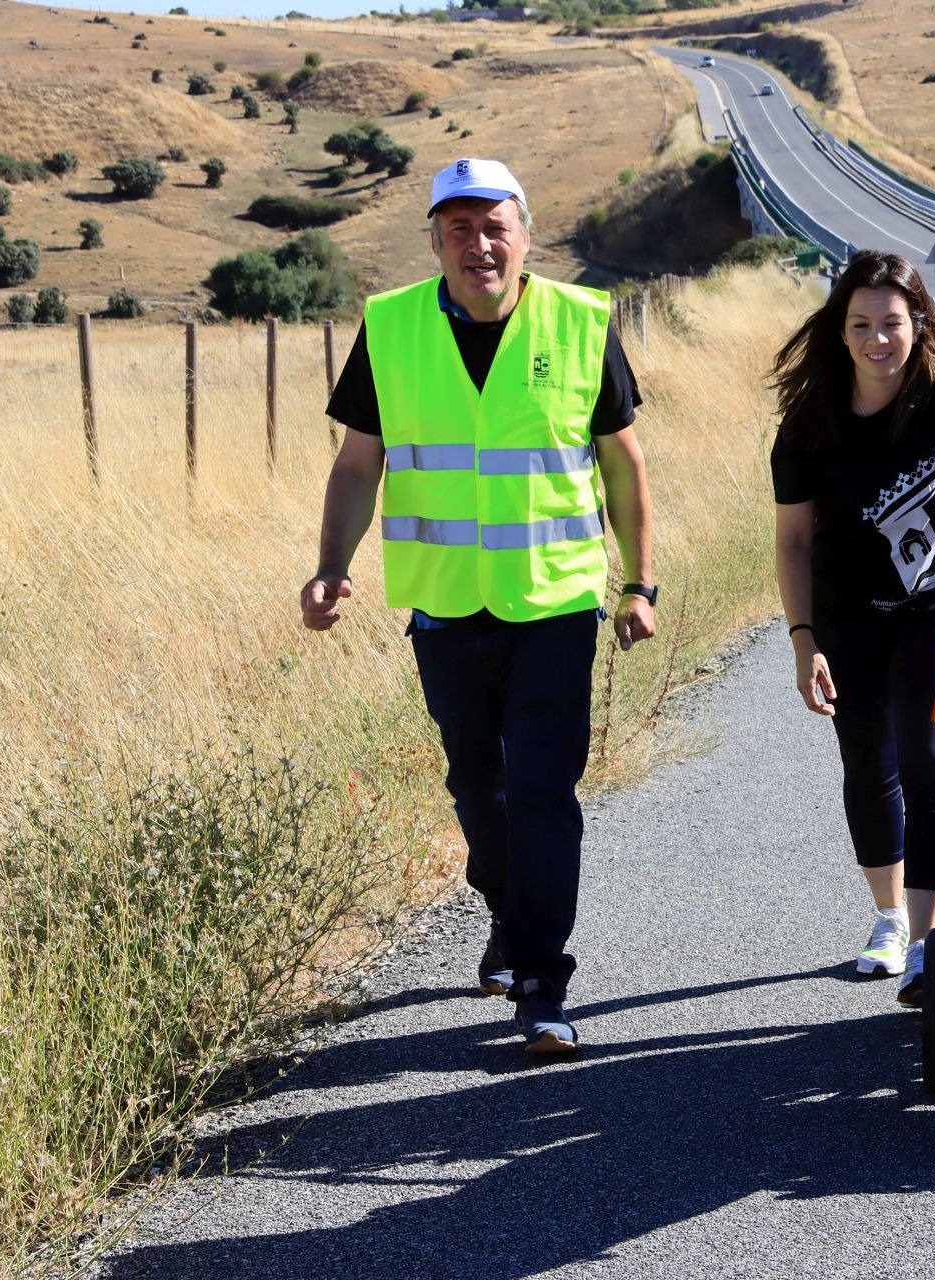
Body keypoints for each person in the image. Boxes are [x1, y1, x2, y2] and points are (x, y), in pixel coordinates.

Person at [301, 158, 658, 1054]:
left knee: (542, 786)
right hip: (445, 603)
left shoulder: (581, 323)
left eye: (494, 226)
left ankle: (543, 981)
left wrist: (639, 581)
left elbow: (622, 463)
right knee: (476, 782)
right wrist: (330, 565)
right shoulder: (391, 328)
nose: (478, 245)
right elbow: (358, 463)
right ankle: (504, 901)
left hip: (555, 600)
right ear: (434, 243)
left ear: (526, 236)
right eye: (457, 229)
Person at [770, 251, 935, 1005]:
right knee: (866, 768)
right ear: (840, 332)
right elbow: (791, 541)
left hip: (928, 613)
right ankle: (886, 917)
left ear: (918, 325)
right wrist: (803, 639)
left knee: (928, 768)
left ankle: (924, 942)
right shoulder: (809, 424)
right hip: (846, 616)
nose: (879, 338)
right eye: (862, 325)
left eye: (893, 322)